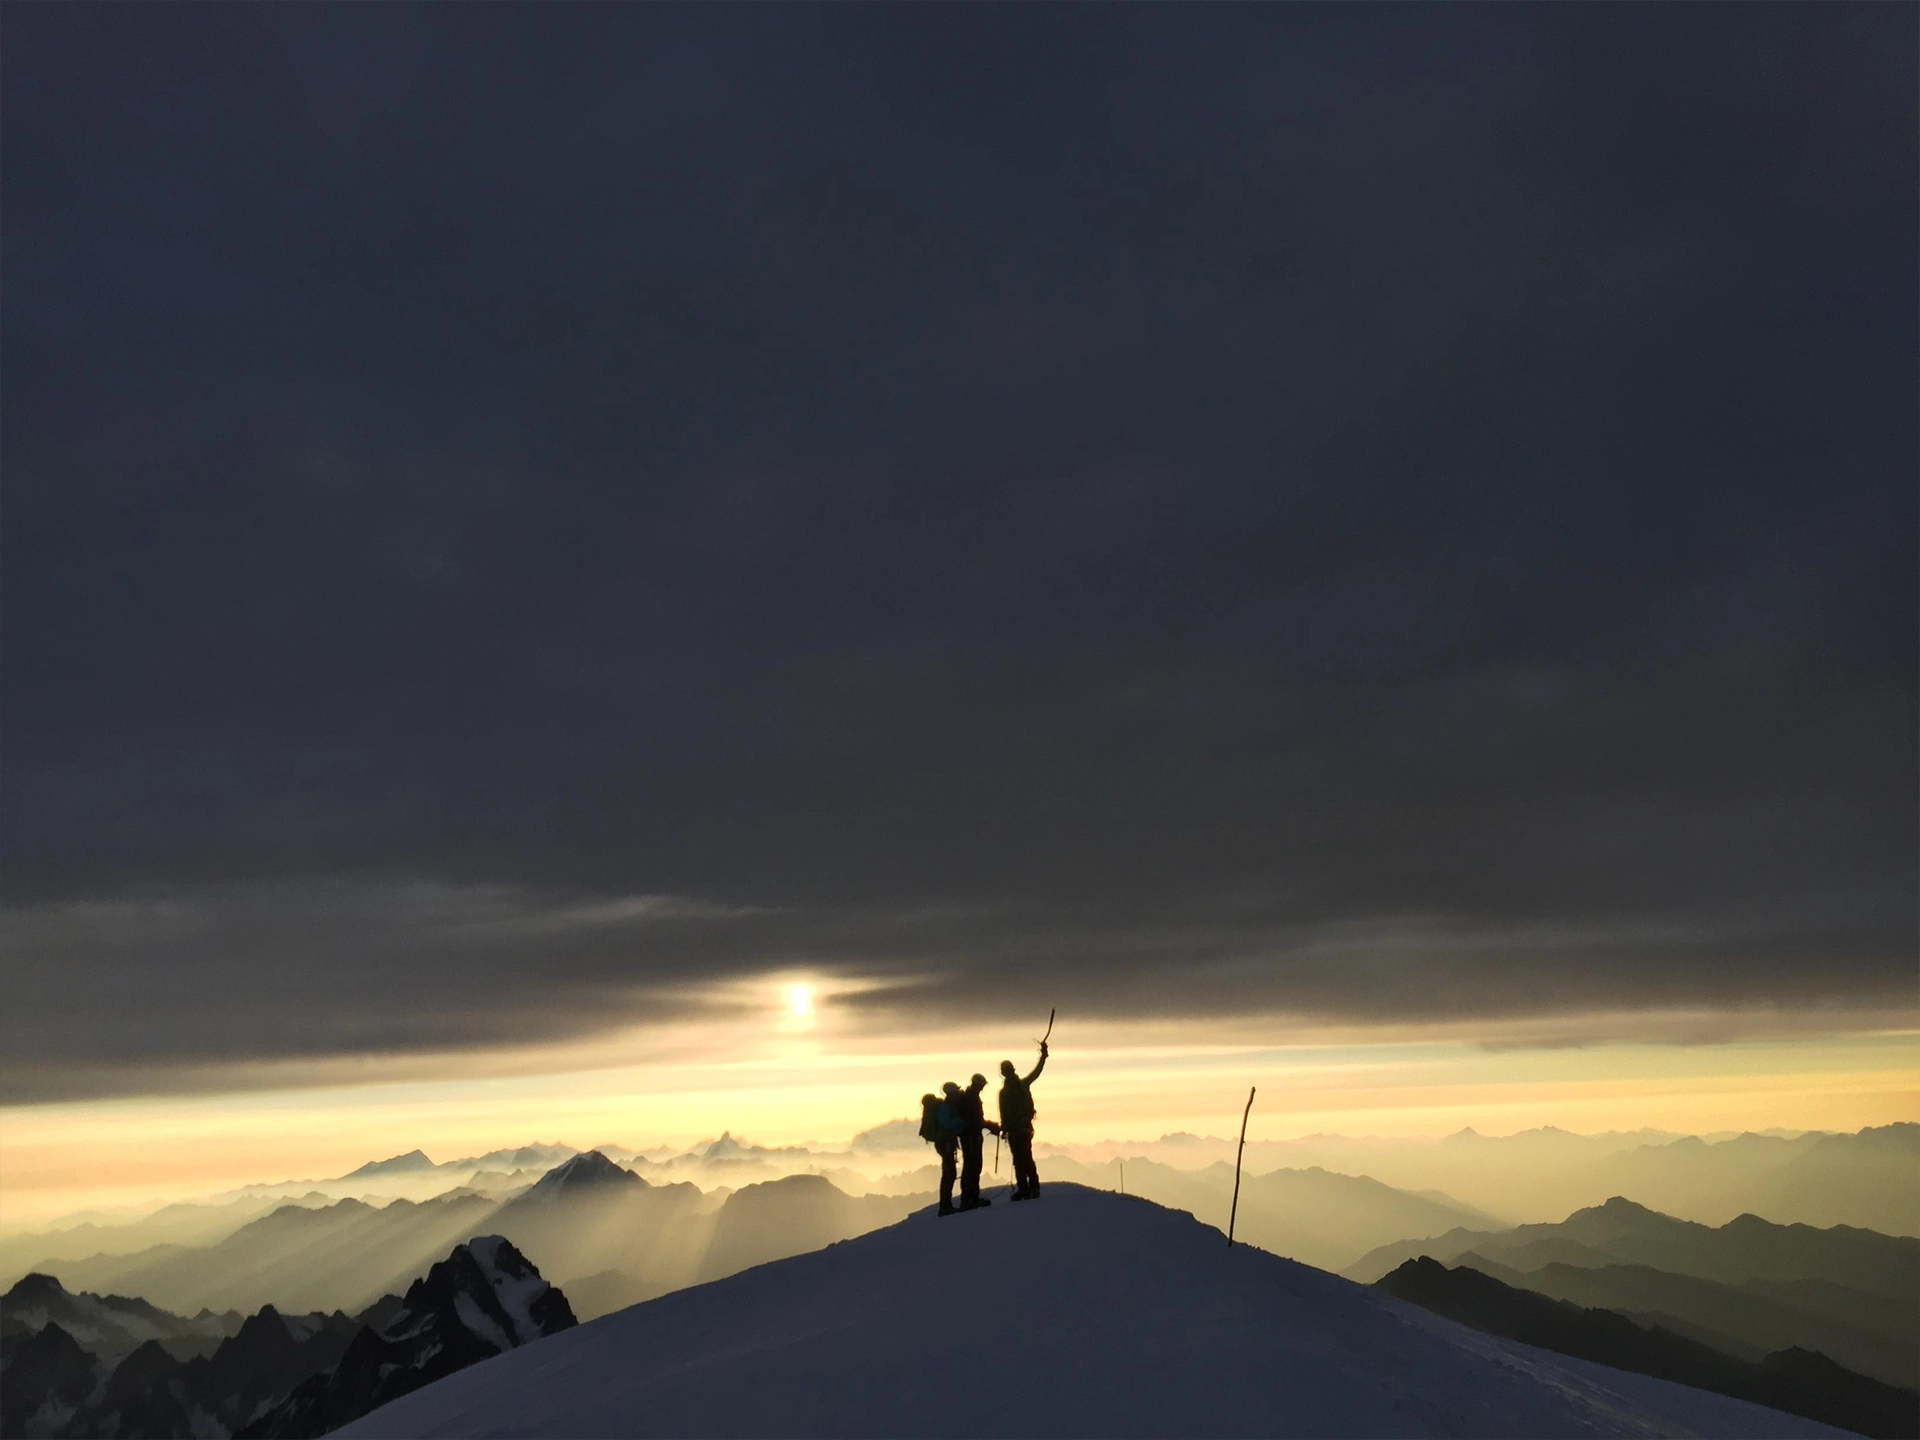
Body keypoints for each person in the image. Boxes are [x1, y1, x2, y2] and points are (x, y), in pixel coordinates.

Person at [998, 1040, 1048, 1199]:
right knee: (1026, 1158)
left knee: (1019, 1160)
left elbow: (1003, 1114)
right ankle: (1032, 1187)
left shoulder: (1004, 1092)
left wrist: (1004, 1128)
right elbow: (1037, 1072)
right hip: (1024, 1129)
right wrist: (1043, 1055)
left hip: (1014, 1131)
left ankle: (1025, 1188)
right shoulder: (1022, 1084)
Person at [956, 1073, 1001, 1209]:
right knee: (973, 1166)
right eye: (981, 1086)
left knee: (970, 1166)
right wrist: (991, 1126)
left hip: (968, 1137)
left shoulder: (968, 1097)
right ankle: (972, 1198)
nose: (982, 1088)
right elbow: (976, 1120)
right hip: (972, 1138)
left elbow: (975, 1120)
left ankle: (968, 1197)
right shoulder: (971, 1098)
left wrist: (988, 1125)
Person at [927, 1083, 965, 1216]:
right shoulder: (945, 1107)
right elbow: (945, 1123)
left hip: (946, 1142)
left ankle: (946, 1204)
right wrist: (960, 1121)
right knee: (949, 1173)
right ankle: (945, 1206)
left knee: (950, 1173)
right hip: (945, 1143)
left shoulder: (947, 1106)